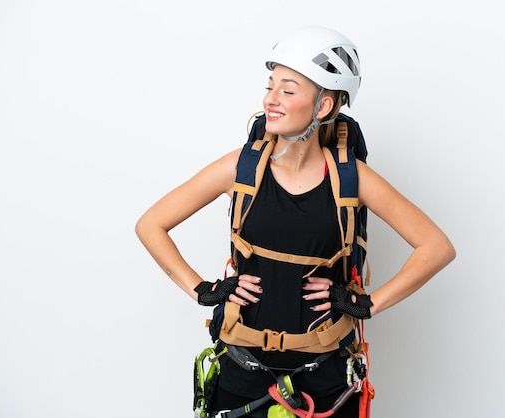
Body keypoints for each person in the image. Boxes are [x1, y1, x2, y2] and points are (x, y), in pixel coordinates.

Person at [135, 26, 456, 418]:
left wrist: (367, 304)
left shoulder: (351, 177)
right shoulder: (240, 167)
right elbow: (151, 224)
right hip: (241, 375)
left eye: (287, 90)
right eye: (270, 86)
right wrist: (202, 290)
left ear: (323, 106)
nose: (270, 99)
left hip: (325, 380)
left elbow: (436, 248)